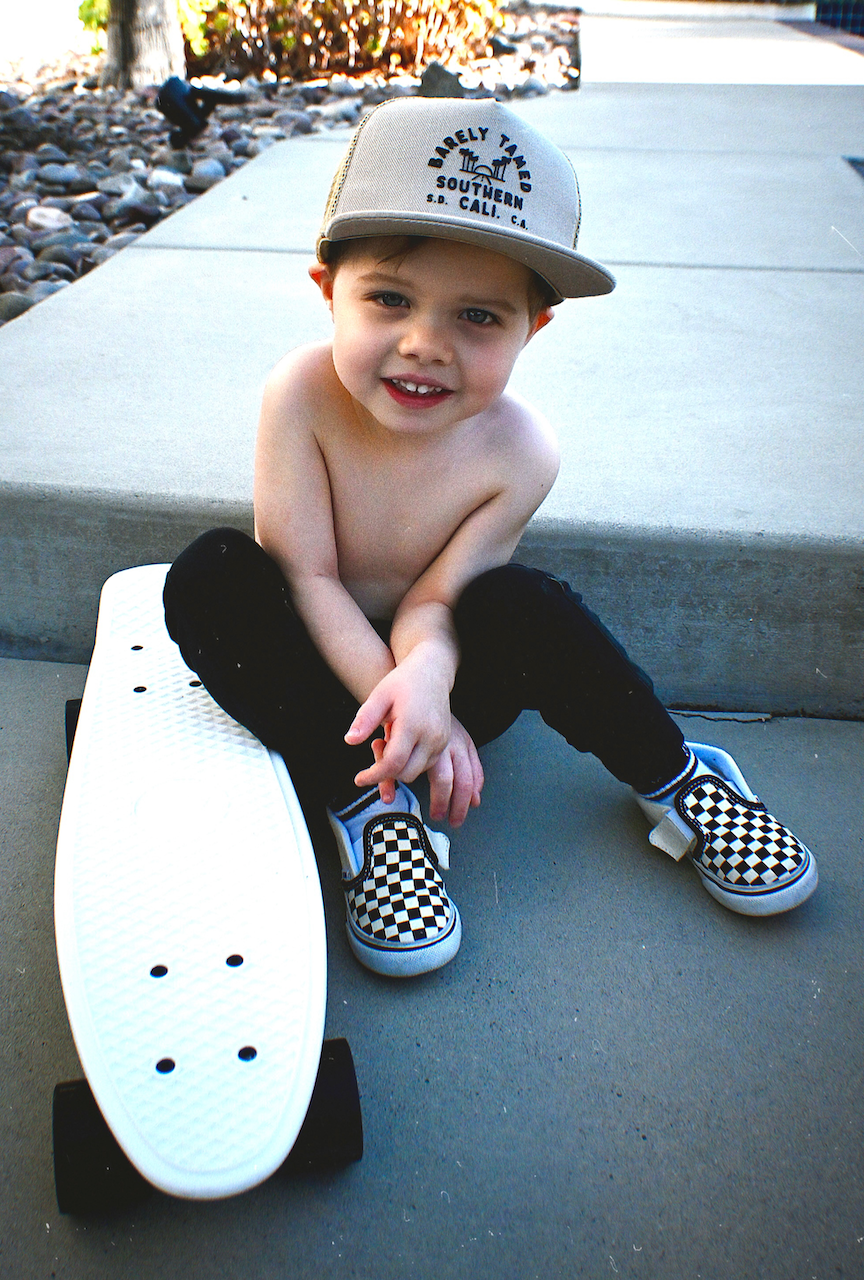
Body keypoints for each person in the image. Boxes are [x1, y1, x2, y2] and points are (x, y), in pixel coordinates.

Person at [163, 98, 817, 978]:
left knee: (522, 604)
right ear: (328, 292)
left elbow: (438, 598)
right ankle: (373, 813)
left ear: (532, 328)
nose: (425, 344)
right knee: (211, 577)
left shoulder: (521, 451)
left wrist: (430, 684)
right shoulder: (300, 396)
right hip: (326, 684)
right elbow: (309, 576)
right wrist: (399, 711)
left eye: (479, 318)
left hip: (446, 683)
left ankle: (678, 777)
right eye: (389, 299)